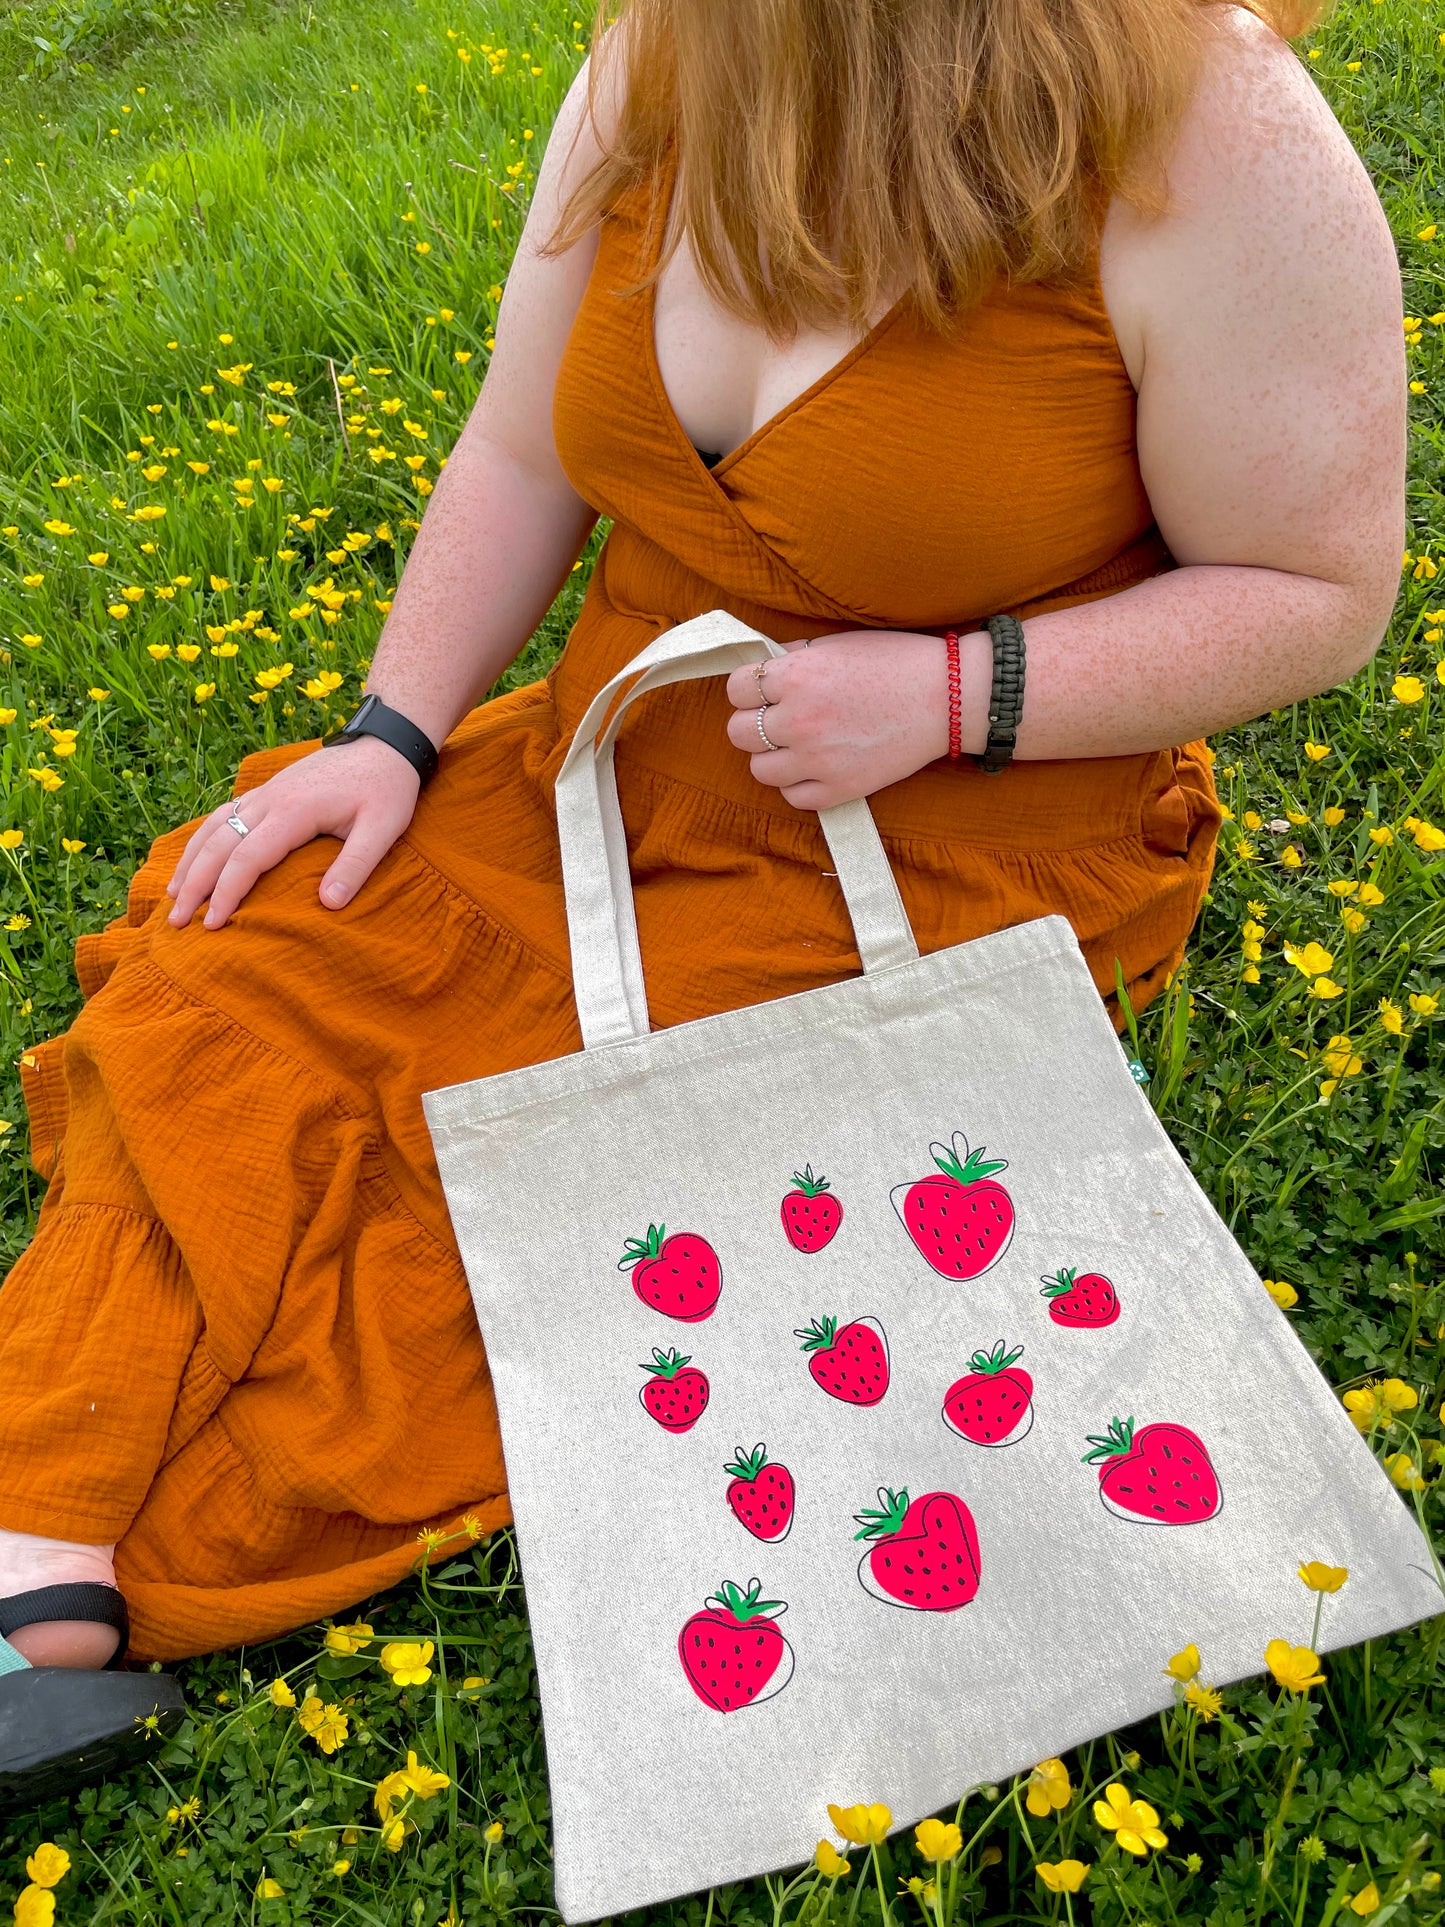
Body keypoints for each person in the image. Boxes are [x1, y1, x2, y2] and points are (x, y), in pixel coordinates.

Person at [0, 0, 1404, 1799]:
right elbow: (520, 449)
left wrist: (954, 693)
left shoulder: (1208, 129)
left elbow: (1311, 589)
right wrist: (391, 731)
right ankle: (40, 1541)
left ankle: (152, 1526)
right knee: (243, 973)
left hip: (955, 834)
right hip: (611, 768)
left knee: (544, 1211)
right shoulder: (659, 57)